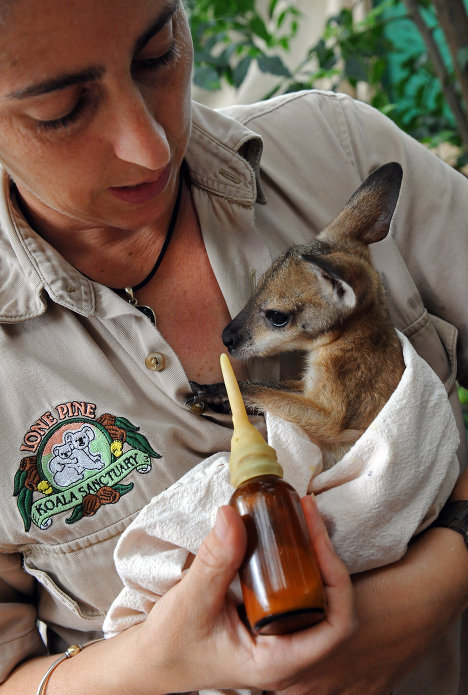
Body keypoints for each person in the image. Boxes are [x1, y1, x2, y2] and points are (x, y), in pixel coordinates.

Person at [0, 1, 466, 694]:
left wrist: (438, 579)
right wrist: (158, 662)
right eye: (63, 110)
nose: (151, 144)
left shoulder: (330, 150)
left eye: (158, 54)